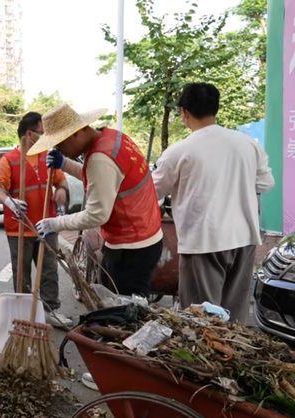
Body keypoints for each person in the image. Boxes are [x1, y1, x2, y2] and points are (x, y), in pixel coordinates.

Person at [33, 105, 163, 392]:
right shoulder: (113, 139)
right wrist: (65, 165)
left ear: (78, 132)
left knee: (125, 310)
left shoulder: (100, 157)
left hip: (132, 245)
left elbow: (96, 214)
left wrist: (56, 222)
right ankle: (126, 366)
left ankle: (120, 375)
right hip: (144, 237)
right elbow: (101, 179)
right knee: (128, 305)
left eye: (61, 143)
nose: (61, 149)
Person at [153, 83, 275, 324]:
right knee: (233, 317)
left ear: (184, 112)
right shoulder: (248, 144)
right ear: (215, 109)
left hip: (204, 241)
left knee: (201, 319)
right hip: (244, 238)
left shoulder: (179, 151)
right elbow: (265, 184)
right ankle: (233, 359)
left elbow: (153, 190)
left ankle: (200, 362)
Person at [0, 112, 73, 328]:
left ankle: (51, 310)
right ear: (29, 134)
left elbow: (61, 180)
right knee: (22, 275)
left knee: (49, 271)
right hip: (20, 228)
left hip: (47, 227)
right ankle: (25, 313)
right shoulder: (9, 160)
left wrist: (62, 190)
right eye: (41, 133)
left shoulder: (47, 156)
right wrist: (9, 202)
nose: (44, 137)